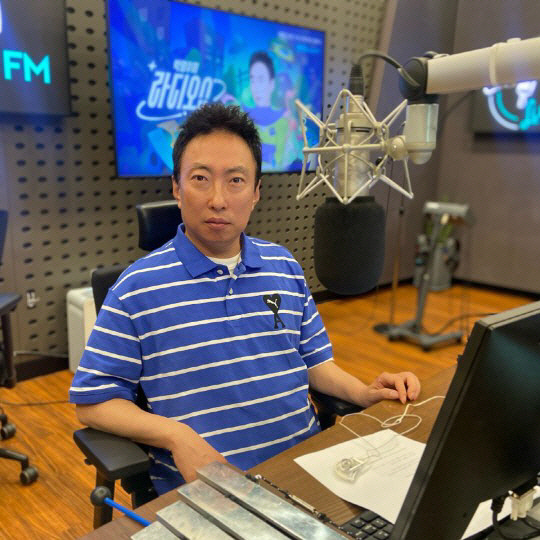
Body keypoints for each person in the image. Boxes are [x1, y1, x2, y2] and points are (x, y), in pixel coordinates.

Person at [70, 103, 420, 496]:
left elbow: (316, 363)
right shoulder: (136, 289)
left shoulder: (283, 266)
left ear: (255, 193)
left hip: (305, 470)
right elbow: (93, 402)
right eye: (200, 178)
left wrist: (363, 392)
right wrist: (176, 436)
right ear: (176, 188)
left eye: (235, 180)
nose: (218, 199)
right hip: (207, 490)